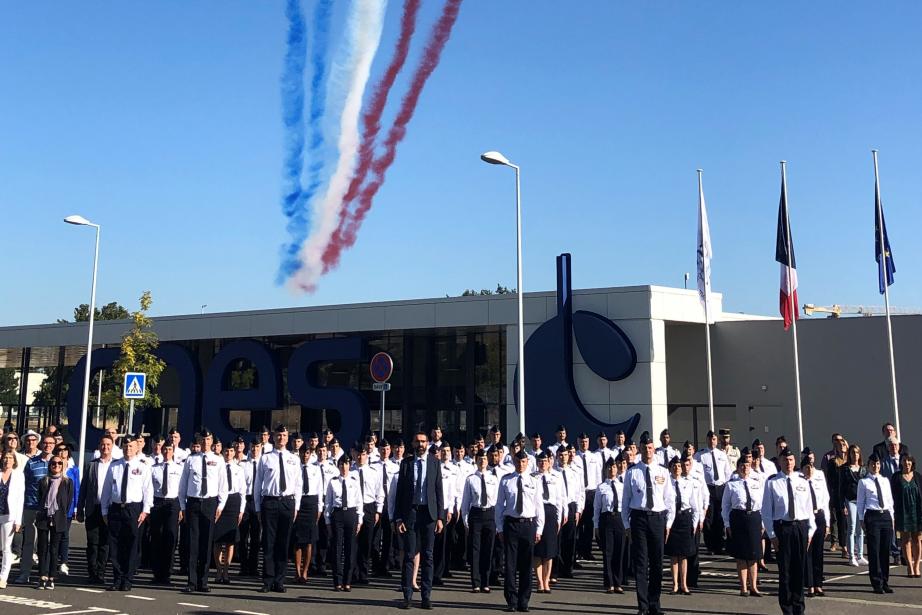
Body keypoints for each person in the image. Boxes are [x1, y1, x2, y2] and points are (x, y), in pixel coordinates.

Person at [622, 434, 675, 615]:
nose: (647, 451)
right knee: (641, 564)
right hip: (639, 518)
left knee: (657, 564)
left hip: (658, 519)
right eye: (644, 448)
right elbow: (625, 501)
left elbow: (669, 500)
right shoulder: (632, 471)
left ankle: (655, 604)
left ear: (654, 449)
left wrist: (668, 524)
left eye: (650, 448)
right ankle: (643, 606)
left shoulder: (663, 471)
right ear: (640, 450)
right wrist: (626, 525)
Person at [762, 448, 817, 615]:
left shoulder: (802, 480)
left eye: (791, 460)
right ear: (780, 461)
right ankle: (787, 608)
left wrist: (810, 531)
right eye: (785, 460)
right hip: (783, 529)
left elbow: (809, 508)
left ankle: (799, 607)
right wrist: (772, 535)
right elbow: (766, 511)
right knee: (785, 572)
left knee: (799, 570)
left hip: (800, 528)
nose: (789, 463)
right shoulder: (772, 482)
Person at [394, 431, 444, 610]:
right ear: (413, 443)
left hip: (429, 515)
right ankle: (407, 595)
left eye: (423, 441)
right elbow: (399, 493)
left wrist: (440, 517)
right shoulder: (406, 464)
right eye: (418, 441)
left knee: (428, 556)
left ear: (428, 443)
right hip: (411, 514)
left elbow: (439, 491)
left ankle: (426, 596)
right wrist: (398, 517)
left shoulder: (435, 463)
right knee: (408, 555)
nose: (421, 444)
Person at [178, 429, 228, 594]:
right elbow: (183, 485)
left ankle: (203, 581)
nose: (206, 442)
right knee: (193, 543)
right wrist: (183, 507)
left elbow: (223, 485)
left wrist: (220, 506)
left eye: (208, 439)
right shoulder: (191, 460)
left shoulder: (218, 460)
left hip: (210, 503)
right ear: (198, 440)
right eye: (203, 439)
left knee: (206, 543)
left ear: (212, 440)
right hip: (193, 503)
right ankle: (191, 581)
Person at [100, 433, 153, 591]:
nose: (127, 449)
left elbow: (148, 490)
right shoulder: (114, 466)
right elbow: (107, 490)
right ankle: (117, 578)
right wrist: (104, 510)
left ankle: (128, 579)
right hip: (116, 509)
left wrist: (145, 510)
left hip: (133, 509)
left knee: (131, 545)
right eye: (125, 446)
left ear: (137, 447)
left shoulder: (142, 466)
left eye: (131, 446)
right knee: (115, 545)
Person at [254, 424, 302, 594]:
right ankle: (267, 580)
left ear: (288, 438)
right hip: (270, 502)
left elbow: (298, 484)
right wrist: (258, 507)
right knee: (268, 542)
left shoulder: (294, 459)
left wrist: (296, 506)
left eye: (284, 435)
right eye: (278, 435)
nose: (281, 438)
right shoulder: (265, 458)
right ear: (273, 438)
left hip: (287, 503)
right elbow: (258, 484)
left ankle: (279, 580)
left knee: (283, 543)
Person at [494, 450, 544, 612]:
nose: (520, 465)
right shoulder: (506, 480)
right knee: (510, 565)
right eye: (518, 462)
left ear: (527, 463)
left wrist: (539, 529)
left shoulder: (534, 481)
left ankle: (524, 600)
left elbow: (539, 507)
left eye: (523, 462)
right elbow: (500, 506)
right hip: (511, 525)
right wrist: (500, 528)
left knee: (526, 565)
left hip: (528, 526)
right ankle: (511, 600)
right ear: (514, 462)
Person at [14, 433, 54, 585]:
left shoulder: (58, 462)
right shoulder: (31, 463)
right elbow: (24, 485)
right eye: (45, 442)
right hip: (31, 506)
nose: (47, 445)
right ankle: (24, 574)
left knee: (48, 544)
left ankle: (46, 576)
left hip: (51, 510)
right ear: (40, 444)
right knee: (29, 542)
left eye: (50, 443)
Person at [722, 455, 764, 596]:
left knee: (753, 555)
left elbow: (763, 504)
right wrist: (727, 525)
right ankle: (743, 587)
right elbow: (725, 506)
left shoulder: (757, 482)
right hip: (738, 519)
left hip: (754, 518)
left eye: (747, 465)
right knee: (741, 555)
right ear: (738, 467)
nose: (745, 467)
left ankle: (753, 586)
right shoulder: (731, 484)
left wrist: (763, 522)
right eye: (742, 465)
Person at [460, 448, 499, 593]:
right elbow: (465, 502)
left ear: (487, 461)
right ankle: (475, 582)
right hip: (476, 515)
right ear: (476, 461)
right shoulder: (471, 479)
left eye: (484, 459)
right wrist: (465, 520)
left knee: (488, 550)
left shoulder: (493, 478)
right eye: (480, 459)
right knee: (475, 550)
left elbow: (497, 501)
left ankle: (485, 582)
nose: (482, 462)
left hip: (490, 514)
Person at [77, 434, 114, 585]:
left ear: (112, 446)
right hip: (93, 509)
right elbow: (83, 488)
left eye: (108, 445)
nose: (105, 448)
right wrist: (80, 509)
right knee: (92, 543)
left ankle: (101, 572)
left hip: (109, 510)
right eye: (103, 445)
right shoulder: (91, 465)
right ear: (99, 447)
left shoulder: (116, 465)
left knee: (105, 543)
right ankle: (92, 572)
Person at [857, 453, 895, 593]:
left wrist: (892, 517)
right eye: (873, 464)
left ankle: (885, 581)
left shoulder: (885, 480)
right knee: (874, 551)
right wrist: (861, 520)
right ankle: (876, 582)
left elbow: (890, 501)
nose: (876, 466)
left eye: (878, 464)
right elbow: (861, 502)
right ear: (868, 465)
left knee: (885, 551)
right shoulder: (864, 482)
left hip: (885, 515)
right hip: (872, 517)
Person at [35, 454, 74, 590]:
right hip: (44, 517)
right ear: (49, 466)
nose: (56, 466)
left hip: (58, 518)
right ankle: (42, 576)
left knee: (54, 549)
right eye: (53, 463)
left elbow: (68, 502)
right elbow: (40, 499)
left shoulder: (67, 482)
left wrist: (60, 513)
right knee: (42, 548)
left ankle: (52, 576)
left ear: (62, 466)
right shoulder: (43, 481)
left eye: (59, 464)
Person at [325, 454, 362, 591]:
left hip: (351, 514)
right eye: (341, 464)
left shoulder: (354, 481)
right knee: (337, 549)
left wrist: (359, 520)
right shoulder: (333, 482)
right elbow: (328, 503)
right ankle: (337, 581)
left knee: (350, 549)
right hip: (338, 514)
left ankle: (347, 581)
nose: (344, 467)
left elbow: (359, 502)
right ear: (338, 466)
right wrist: (328, 520)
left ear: (349, 465)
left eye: (346, 464)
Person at [150, 440, 183, 585]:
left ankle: (167, 572)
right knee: (156, 537)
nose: (167, 452)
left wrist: (182, 507)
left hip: (173, 503)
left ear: (173, 451)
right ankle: (157, 573)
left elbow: (182, 489)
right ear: (162, 451)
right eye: (165, 449)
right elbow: (149, 488)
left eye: (170, 449)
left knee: (170, 536)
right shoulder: (153, 468)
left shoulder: (179, 468)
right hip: (157, 502)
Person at [667, 456, 700, 596]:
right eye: (674, 466)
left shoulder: (689, 483)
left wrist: (694, 523)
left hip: (685, 518)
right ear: (670, 468)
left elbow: (695, 505)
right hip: (672, 519)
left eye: (679, 466)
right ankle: (674, 584)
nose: (677, 469)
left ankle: (684, 584)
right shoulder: (666, 483)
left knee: (684, 555)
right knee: (674, 555)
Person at [593, 454, 626, 594]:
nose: (612, 469)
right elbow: (597, 508)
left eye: (614, 467)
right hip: (606, 519)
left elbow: (626, 505)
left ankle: (618, 582)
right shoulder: (601, 487)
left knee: (619, 551)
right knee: (608, 552)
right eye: (609, 467)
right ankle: (609, 583)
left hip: (620, 519)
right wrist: (596, 526)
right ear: (605, 469)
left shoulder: (622, 486)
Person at [532, 451, 564, 594]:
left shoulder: (555, 478)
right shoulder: (532, 478)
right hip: (537, 512)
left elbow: (559, 499)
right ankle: (539, 581)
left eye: (545, 461)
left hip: (550, 512)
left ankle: (546, 580)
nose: (543, 464)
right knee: (538, 550)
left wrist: (559, 518)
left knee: (549, 550)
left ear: (549, 462)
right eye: (540, 461)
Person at [695, 430, 732, 556]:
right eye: (710, 439)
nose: (712, 441)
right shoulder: (700, 455)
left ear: (717, 440)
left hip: (721, 488)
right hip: (708, 487)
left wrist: (727, 487)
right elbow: (696, 472)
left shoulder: (722, 454)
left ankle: (719, 544)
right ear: (707, 440)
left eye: (714, 439)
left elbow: (727, 472)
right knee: (709, 518)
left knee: (720, 517)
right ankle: (710, 545)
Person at [351, 445, 384, 585]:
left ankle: (363, 574)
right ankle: (352, 573)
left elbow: (379, 492)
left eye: (363, 455)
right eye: (358, 455)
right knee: (353, 542)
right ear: (354, 455)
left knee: (366, 542)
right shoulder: (350, 471)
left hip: (369, 507)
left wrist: (378, 511)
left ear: (367, 456)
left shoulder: (374, 472)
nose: (360, 457)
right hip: (353, 508)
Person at [213, 443, 245, 585]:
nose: (228, 453)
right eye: (226, 450)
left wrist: (241, 510)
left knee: (230, 540)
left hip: (233, 502)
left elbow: (243, 491)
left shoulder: (239, 469)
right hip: (220, 501)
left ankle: (226, 570)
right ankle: (218, 570)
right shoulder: (216, 467)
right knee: (218, 539)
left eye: (231, 451)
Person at [292, 444, 323, 584]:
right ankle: (297, 571)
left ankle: (305, 572)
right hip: (298, 502)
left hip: (311, 503)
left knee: (309, 541)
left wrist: (319, 508)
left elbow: (319, 490)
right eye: (303, 452)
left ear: (311, 454)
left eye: (308, 453)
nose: (305, 455)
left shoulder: (316, 469)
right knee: (298, 541)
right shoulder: (294, 468)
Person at [552, 444, 583, 581]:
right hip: (558, 507)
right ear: (557, 456)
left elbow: (580, 492)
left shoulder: (574, 473)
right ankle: (555, 569)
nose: (563, 457)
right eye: (561, 455)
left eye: (565, 455)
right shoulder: (553, 473)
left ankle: (567, 569)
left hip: (571, 507)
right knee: (557, 539)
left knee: (570, 540)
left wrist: (578, 510)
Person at [801, 458, 830, 597]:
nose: (810, 469)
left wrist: (828, 523)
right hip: (806, 519)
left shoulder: (819, 481)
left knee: (818, 553)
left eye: (811, 467)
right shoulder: (800, 484)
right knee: (808, 552)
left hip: (819, 517)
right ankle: (810, 585)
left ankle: (818, 584)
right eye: (807, 467)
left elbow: (825, 501)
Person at [891, 455, 922, 577]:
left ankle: (917, 566)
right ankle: (909, 566)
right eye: (904, 461)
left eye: (909, 460)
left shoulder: (918, 476)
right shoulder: (896, 477)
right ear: (901, 463)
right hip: (902, 511)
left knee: (917, 539)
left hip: (917, 511)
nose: (907, 463)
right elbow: (892, 495)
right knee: (905, 539)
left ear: (912, 462)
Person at [573, 433, 602, 562]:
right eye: (581, 441)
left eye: (585, 441)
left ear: (589, 442)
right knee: (579, 524)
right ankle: (578, 550)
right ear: (578, 442)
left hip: (591, 492)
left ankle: (587, 550)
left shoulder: (594, 457)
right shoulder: (574, 458)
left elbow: (598, 474)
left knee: (589, 524)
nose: (584, 443)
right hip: (580, 492)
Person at [838, 443, 868, 566]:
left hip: (861, 501)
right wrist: (842, 505)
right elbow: (841, 488)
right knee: (851, 527)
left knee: (860, 529)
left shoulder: (864, 469)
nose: (855, 455)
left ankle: (860, 555)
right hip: (849, 500)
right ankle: (851, 556)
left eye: (857, 452)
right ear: (849, 454)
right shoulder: (844, 469)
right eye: (852, 452)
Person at [52, 443, 79, 577]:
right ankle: (53, 560)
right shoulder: (53, 466)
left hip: (67, 508)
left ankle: (63, 561)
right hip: (53, 507)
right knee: (53, 535)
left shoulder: (74, 470)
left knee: (64, 535)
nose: (62, 452)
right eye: (59, 450)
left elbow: (76, 489)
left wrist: (75, 507)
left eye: (65, 450)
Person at [239, 437, 263, 577]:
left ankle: (254, 566)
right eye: (253, 447)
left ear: (261, 448)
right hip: (246, 501)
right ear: (249, 448)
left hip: (258, 501)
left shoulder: (263, 464)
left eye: (257, 447)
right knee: (243, 536)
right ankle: (243, 566)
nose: (255, 450)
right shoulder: (243, 465)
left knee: (256, 537)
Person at [0, 450, 24, 588]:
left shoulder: (18, 476)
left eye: (10, 458)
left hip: (9, 515)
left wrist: (18, 520)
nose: (7, 460)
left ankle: (3, 577)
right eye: (5, 457)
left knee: (6, 547)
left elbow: (20, 499)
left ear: (14, 461)